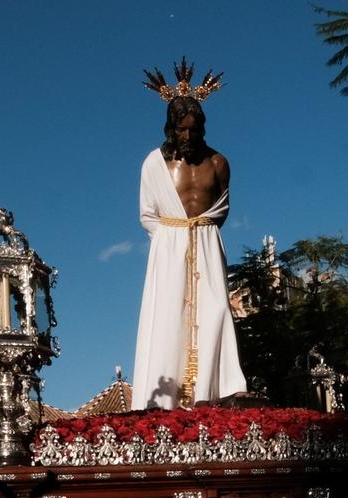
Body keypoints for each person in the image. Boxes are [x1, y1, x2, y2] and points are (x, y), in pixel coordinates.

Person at [133, 61, 246, 409]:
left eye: (194, 130)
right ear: (171, 128)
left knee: (216, 310)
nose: (188, 137)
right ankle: (165, 396)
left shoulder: (219, 163)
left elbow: (221, 208)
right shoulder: (156, 163)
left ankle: (218, 387)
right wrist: (174, 240)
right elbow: (148, 214)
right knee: (168, 316)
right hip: (169, 246)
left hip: (208, 243)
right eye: (181, 130)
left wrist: (200, 235)